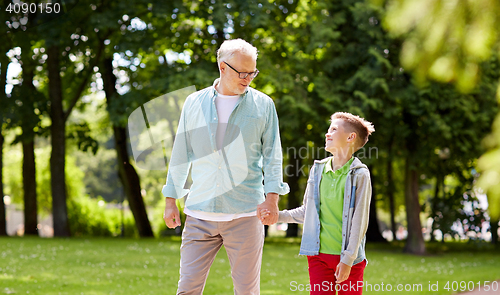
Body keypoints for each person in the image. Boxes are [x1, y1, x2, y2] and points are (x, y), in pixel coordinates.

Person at [162, 38, 289, 295]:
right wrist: (170, 200)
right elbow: (180, 154)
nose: (248, 78)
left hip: (244, 214)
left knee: (246, 291)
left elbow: (272, 155)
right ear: (222, 67)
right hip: (199, 214)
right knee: (186, 289)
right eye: (242, 72)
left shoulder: (264, 105)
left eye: (252, 72)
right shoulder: (193, 103)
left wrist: (272, 198)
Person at [261, 112, 374, 295]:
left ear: (350, 137)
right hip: (318, 257)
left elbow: (359, 223)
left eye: (334, 129)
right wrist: (277, 216)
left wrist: (347, 260)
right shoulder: (318, 169)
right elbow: (308, 211)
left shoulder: (360, 174)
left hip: (350, 260)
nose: (327, 134)